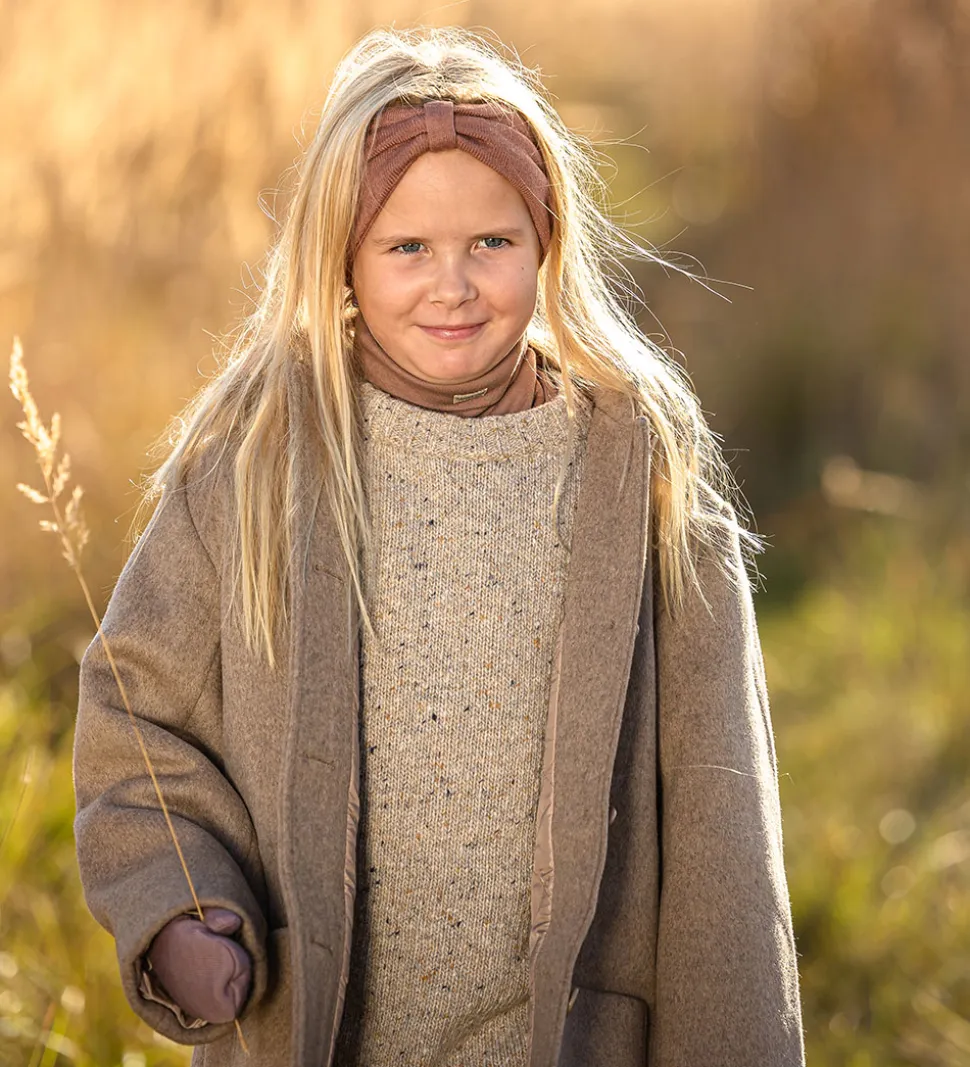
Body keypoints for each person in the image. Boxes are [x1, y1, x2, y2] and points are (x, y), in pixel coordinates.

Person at [73, 24, 806, 1067]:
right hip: (319, 1031)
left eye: (490, 244)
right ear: (343, 256)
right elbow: (136, 714)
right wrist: (181, 902)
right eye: (407, 247)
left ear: (546, 239)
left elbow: (721, 808)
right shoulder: (259, 460)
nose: (451, 285)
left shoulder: (639, 471)